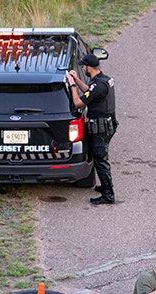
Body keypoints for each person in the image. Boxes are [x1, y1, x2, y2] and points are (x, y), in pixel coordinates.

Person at [66, 53, 117, 205]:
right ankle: (105, 186)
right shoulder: (103, 80)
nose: (82, 67)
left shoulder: (98, 85)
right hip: (108, 125)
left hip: (100, 128)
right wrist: (76, 79)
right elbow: (89, 91)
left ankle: (108, 195)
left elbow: (77, 102)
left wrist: (72, 84)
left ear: (89, 67)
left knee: (101, 160)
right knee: (101, 157)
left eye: (83, 66)